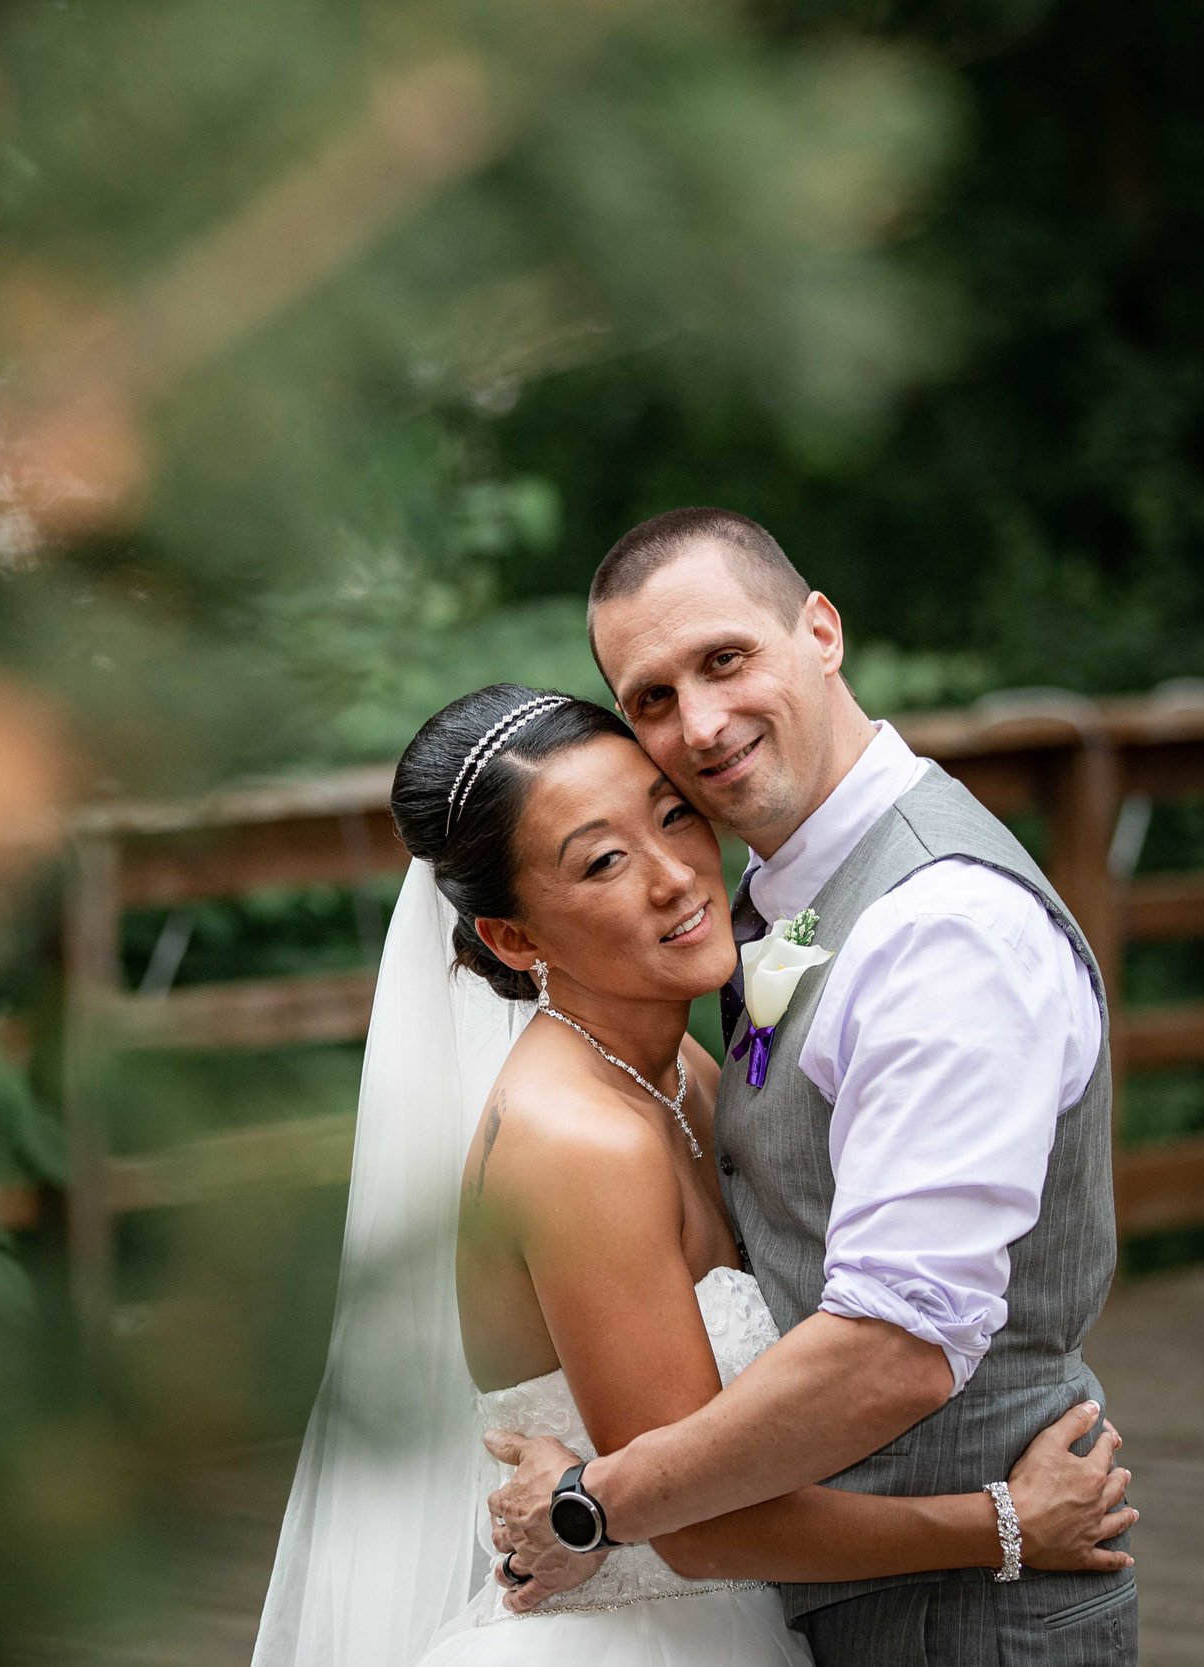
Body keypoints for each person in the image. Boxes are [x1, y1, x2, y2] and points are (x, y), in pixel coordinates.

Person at [250, 680, 1134, 1667]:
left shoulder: (684, 1072)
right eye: (603, 861)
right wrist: (1006, 1522)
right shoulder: (580, 1141)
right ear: (513, 936)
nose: (674, 874)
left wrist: (582, 1482)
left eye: (672, 815)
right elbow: (695, 1525)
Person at [486, 509, 1136, 1663]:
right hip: (818, 1598)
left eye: (725, 659)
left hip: (970, 1622)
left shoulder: (944, 928)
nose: (699, 723)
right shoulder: (765, 903)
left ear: (820, 629)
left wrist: (600, 1499)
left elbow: (894, 1343)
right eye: (650, 697)